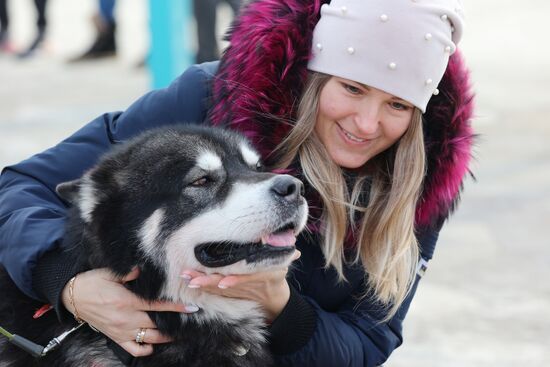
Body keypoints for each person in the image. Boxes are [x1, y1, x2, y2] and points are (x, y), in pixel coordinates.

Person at [0, 0, 475, 366]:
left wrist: (280, 306)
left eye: (398, 105)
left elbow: (369, 342)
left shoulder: (422, 181)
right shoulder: (210, 98)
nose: (367, 124)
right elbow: (21, 188)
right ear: (315, 76)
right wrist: (67, 283)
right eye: (352, 88)